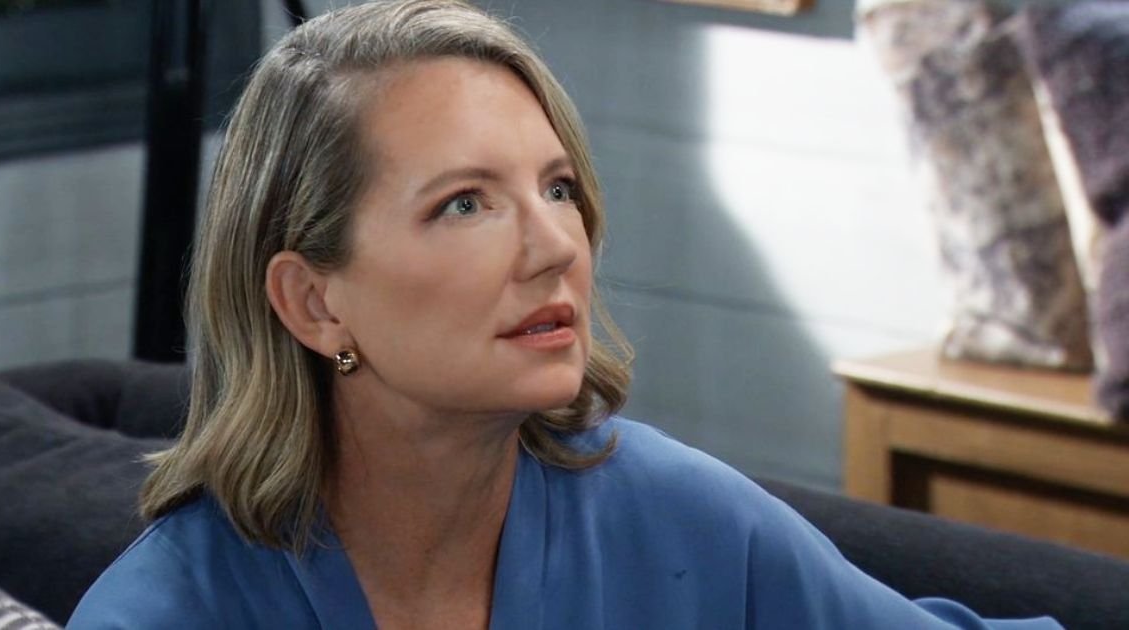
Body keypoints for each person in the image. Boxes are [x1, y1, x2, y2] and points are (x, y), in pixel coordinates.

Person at [68, 1, 1061, 628]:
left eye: (557, 189)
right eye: (465, 204)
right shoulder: (165, 612)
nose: (554, 246)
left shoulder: (682, 520)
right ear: (314, 302)